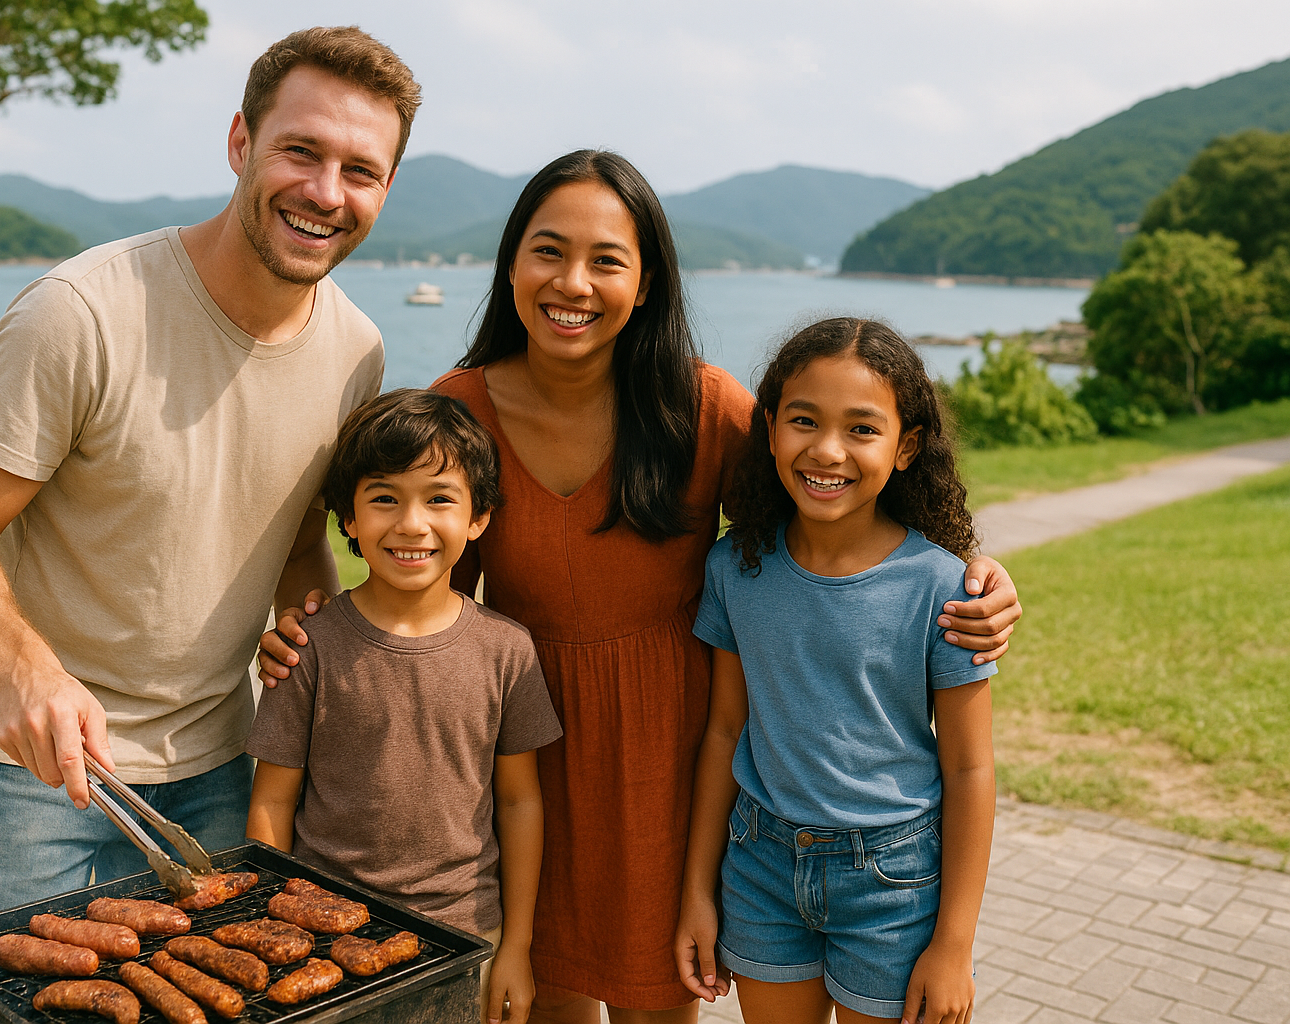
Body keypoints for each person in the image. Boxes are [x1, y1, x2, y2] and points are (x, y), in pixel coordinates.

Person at [263, 149, 1022, 1023]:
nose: (572, 282)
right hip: (522, 756)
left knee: (659, 1001)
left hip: (677, 762)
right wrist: (317, 635)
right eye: (547, 251)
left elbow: (835, 492)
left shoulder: (703, 407)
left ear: (648, 280)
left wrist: (975, 569)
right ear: (511, 261)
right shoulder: (459, 410)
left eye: (607, 260)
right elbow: (417, 592)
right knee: (546, 999)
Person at [0, 26, 420, 926]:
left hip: (219, 769)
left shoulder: (357, 354)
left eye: (360, 170)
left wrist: (316, 647)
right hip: (32, 774)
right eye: (300, 151)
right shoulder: (81, 313)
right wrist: (27, 670)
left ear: (386, 188)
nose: (324, 192)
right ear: (239, 142)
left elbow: (298, 534)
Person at [675, 318, 995, 1024]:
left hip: (894, 883)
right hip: (760, 868)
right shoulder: (736, 567)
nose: (827, 451)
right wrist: (698, 890)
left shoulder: (944, 589)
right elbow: (724, 729)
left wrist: (954, 945)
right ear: (768, 427)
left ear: (907, 446)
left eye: (862, 429)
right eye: (804, 421)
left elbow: (970, 769)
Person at [246, 389, 561, 1024]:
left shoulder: (508, 651)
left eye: (440, 498)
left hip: (466, 938)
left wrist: (517, 949)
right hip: (324, 938)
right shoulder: (310, 648)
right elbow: (272, 801)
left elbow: (521, 802)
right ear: (349, 520)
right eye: (384, 497)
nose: (411, 523)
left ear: (479, 518)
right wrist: (277, 928)